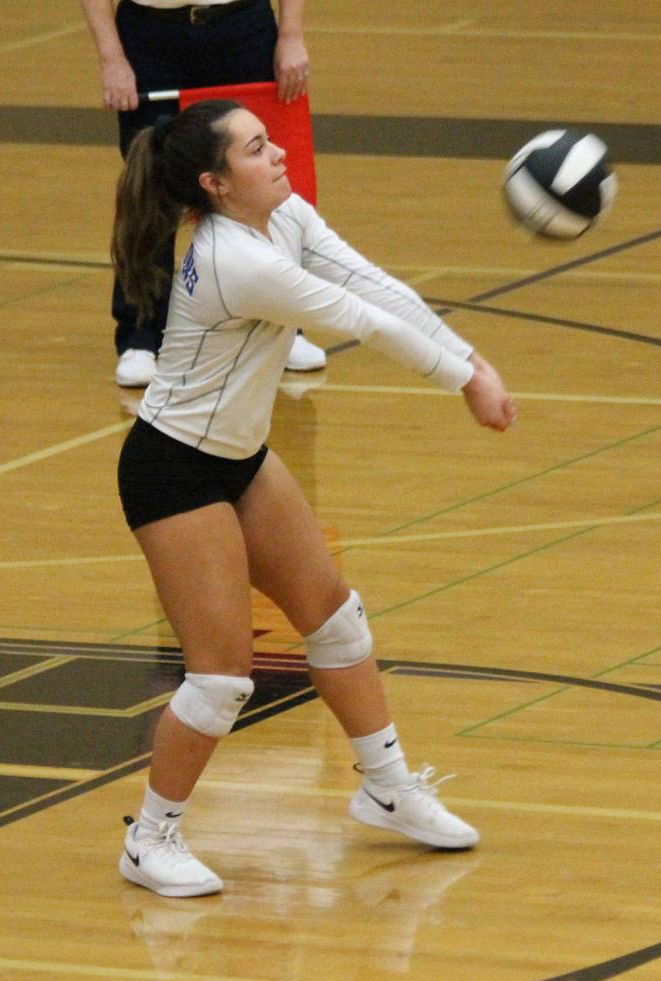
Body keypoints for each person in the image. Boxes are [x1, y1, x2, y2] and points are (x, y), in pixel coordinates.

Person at [112, 99, 517, 897]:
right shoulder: (234, 258)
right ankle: (150, 839)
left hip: (238, 458)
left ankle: (387, 788)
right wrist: (466, 380)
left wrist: (470, 355)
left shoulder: (283, 218)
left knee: (334, 618)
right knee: (221, 676)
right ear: (216, 184)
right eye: (257, 151)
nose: (278, 156)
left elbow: (371, 282)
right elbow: (357, 319)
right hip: (173, 470)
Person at [80, 0, 327, 387]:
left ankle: (281, 327)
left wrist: (291, 35)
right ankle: (141, 334)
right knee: (150, 187)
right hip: (149, 35)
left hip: (242, 29)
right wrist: (111, 57)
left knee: (259, 183)